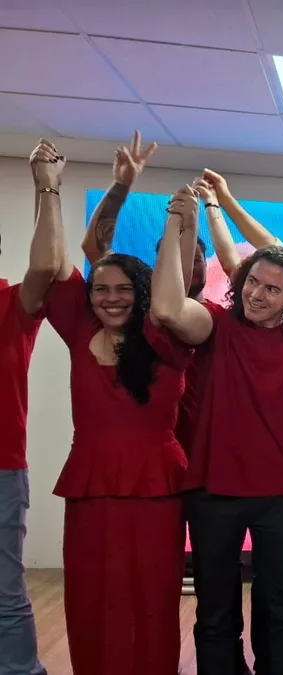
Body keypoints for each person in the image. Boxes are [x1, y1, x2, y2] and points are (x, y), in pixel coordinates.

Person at [151, 185, 283, 675]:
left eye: (271, 289)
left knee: (281, 608)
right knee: (215, 611)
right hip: (212, 491)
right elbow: (168, 310)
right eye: (253, 283)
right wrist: (176, 228)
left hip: (278, 495)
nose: (256, 294)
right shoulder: (215, 324)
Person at [81, 136, 255, 674]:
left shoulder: (214, 319)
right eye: (179, 256)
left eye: (197, 256)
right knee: (138, 586)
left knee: (214, 588)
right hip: (162, 473)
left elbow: (224, 274)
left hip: (209, 471)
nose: (189, 263)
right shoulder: (148, 324)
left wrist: (201, 216)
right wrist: (132, 193)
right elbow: (103, 257)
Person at [30, 145, 192, 675]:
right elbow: (63, 257)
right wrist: (101, 186)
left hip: (155, 488)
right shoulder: (80, 329)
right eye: (100, 289)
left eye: (123, 289)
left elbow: (167, 293)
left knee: (151, 598)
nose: (110, 297)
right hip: (91, 485)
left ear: (141, 293)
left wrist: (180, 223)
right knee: (90, 598)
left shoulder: (164, 336)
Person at [0, 141, 66, 675]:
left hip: (1, 470)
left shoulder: (11, 305)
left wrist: (46, 186)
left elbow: (45, 264)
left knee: (3, 591)